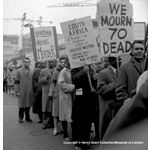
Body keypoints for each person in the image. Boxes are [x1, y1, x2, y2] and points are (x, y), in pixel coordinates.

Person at [71, 64, 98, 150]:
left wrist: (94, 75)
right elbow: (74, 80)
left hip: (89, 99)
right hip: (80, 100)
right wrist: (83, 71)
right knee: (78, 122)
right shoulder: (75, 69)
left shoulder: (91, 68)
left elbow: (94, 83)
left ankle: (85, 142)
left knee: (87, 122)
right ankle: (78, 143)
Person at [97, 56, 118, 140]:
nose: (120, 60)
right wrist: (115, 83)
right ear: (112, 60)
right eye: (118, 59)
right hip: (108, 108)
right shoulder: (103, 73)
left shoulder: (122, 71)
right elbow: (101, 89)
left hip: (119, 107)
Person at [49, 56, 67, 136]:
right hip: (57, 93)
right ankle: (56, 128)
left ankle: (62, 127)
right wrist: (50, 93)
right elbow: (53, 83)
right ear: (59, 62)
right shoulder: (56, 71)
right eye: (61, 62)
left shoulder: (67, 71)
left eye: (64, 62)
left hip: (65, 93)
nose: (62, 63)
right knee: (56, 112)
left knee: (63, 111)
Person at [58, 57, 75, 142]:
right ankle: (65, 135)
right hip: (65, 97)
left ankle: (74, 135)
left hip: (73, 97)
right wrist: (72, 87)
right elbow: (62, 84)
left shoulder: (73, 69)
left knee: (72, 116)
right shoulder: (63, 71)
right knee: (65, 116)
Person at [15, 57, 34, 123]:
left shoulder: (32, 71)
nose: (27, 63)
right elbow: (16, 81)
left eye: (28, 61)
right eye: (25, 61)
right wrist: (17, 91)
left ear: (30, 63)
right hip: (22, 90)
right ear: (23, 62)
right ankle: (20, 118)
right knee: (21, 105)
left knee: (28, 105)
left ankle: (27, 117)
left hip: (29, 90)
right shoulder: (18, 71)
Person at [39, 59, 55, 129]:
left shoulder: (57, 71)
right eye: (50, 62)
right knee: (46, 108)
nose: (51, 63)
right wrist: (46, 78)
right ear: (48, 63)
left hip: (54, 93)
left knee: (53, 109)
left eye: (52, 62)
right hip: (46, 92)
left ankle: (52, 123)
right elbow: (40, 81)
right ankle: (45, 123)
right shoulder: (43, 71)